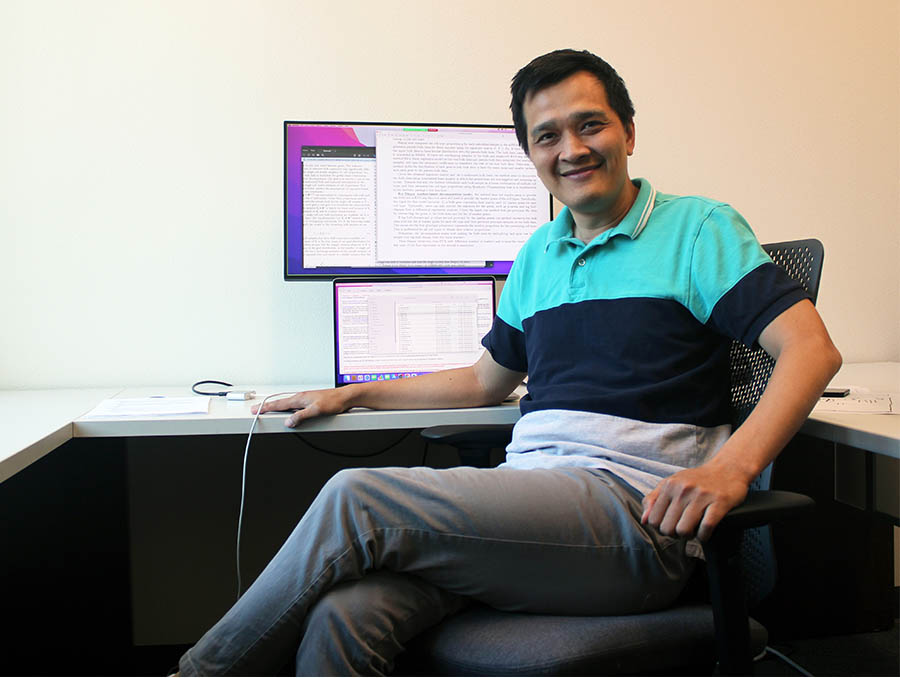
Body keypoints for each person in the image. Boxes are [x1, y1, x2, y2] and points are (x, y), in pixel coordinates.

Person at [177, 49, 841, 676]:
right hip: (534, 510)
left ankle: (199, 673)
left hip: (636, 521)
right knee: (343, 616)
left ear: (629, 132)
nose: (572, 149)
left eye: (590, 126)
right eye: (547, 136)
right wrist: (350, 396)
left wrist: (732, 468)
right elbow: (483, 381)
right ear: (530, 153)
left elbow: (811, 350)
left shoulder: (696, 230)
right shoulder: (537, 257)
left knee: (357, 497)